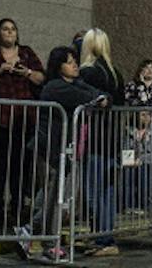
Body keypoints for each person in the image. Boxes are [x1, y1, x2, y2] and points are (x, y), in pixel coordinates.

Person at [19, 46, 101, 264]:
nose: (75, 65)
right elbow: (88, 97)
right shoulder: (55, 87)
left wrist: (99, 96)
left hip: (63, 150)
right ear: (58, 67)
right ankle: (48, 243)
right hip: (49, 150)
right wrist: (97, 97)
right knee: (53, 199)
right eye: (69, 61)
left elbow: (99, 96)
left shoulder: (72, 84)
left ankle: (28, 232)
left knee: (51, 198)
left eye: (75, 60)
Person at [0, 18, 45, 233]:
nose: (10, 32)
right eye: (5, 29)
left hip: (25, 120)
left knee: (21, 168)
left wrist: (25, 72)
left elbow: (41, 78)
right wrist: (0, 71)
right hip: (0, 121)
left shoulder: (26, 53)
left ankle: (16, 211)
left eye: (13, 29)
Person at [78, 29, 124, 257]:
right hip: (112, 138)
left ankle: (103, 238)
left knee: (94, 192)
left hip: (94, 138)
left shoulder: (88, 72)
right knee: (107, 191)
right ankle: (105, 237)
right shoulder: (115, 73)